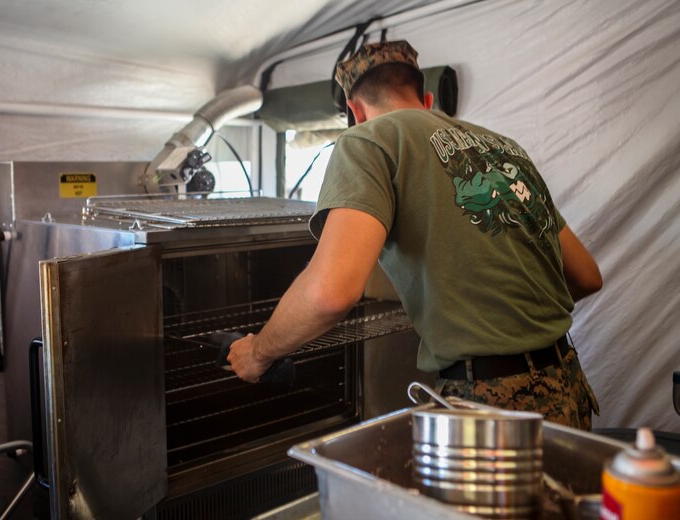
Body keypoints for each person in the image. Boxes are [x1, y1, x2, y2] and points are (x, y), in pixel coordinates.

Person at [228, 40, 602, 430]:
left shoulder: (368, 140)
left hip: (493, 406)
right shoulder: (508, 150)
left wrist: (257, 352)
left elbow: (329, 293)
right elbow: (586, 276)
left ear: (355, 111)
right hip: (568, 387)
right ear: (425, 98)